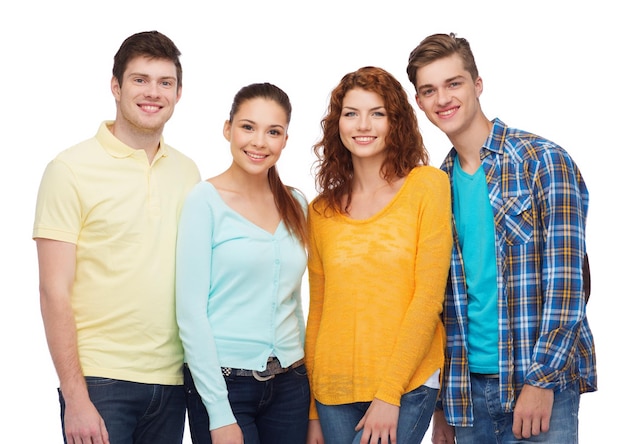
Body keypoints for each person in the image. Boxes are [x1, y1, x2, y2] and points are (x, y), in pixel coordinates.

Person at [406, 33, 597, 443]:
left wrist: (541, 381)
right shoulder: (434, 187)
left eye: (453, 83)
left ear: (477, 85)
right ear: (419, 103)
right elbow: (438, 302)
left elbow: (567, 283)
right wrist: (441, 405)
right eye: (429, 90)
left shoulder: (543, 160)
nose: (442, 99)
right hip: (465, 396)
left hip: (538, 385)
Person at [32, 31, 200, 444]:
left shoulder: (188, 172)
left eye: (165, 83)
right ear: (116, 86)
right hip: (101, 382)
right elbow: (53, 290)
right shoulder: (69, 169)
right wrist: (76, 397)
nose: (153, 93)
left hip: (173, 380)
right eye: (140, 80)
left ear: (179, 93)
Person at [305, 66, 453, 444]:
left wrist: (389, 393)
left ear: (396, 121)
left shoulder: (427, 186)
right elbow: (318, 309)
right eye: (351, 113)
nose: (362, 125)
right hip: (331, 393)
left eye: (377, 113)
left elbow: (428, 298)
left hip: (405, 385)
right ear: (338, 123)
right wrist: (312, 411)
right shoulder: (321, 210)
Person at [175, 82, 310, 444]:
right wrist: (218, 412)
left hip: (291, 384)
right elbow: (190, 313)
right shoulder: (204, 201)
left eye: (273, 132)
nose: (259, 142)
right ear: (228, 129)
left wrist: (309, 394)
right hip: (225, 384)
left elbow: (294, 301)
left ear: (285, 140)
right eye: (248, 127)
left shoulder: (297, 203)